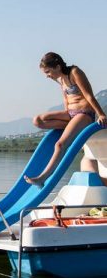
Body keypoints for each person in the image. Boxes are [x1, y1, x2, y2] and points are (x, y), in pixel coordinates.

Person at [24, 52, 107, 186]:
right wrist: (66, 116)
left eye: (48, 72)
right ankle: (72, 127)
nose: (47, 76)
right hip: (71, 114)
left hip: (84, 113)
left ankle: (42, 177)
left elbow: (89, 95)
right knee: (38, 120)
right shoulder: (60, 79)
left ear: (57, 66)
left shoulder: (75, 72)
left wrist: (101, 114)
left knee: (60, 145)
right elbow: (66, 101)